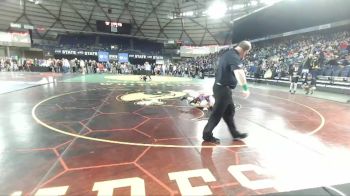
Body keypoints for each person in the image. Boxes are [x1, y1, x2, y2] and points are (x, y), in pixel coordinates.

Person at [202, 41, 251, 144]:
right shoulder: (233, 56)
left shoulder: (229, 54)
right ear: (244, 50)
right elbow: (239, 72)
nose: (245, 55)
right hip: (222, 89)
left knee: (229, 112)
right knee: (217, 114)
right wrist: (245, 87)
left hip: (224, 89)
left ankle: (235, 133)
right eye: (246, 53)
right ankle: (207, 135)